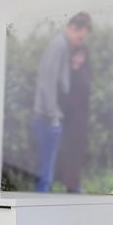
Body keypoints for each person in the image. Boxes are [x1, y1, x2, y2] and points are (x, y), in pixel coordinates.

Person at [31, 12, 91, 191]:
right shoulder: (58, 45)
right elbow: (47, 82)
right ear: (72, 28)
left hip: (50, 118)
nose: (80, 42)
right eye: (80, 37)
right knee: (45, 176)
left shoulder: (63, 45)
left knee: (47, 173)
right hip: (47, 119)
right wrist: (53, 116)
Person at [54, 43, 92, 193]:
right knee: (66, 155)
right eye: (76, 55)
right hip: (66, 122)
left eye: (82, 56)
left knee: (76, 154)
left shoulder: (83, 74)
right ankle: (71, 187)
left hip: (78, 122)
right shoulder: (64, 74)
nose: (78, 59)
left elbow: (81, 101)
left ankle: (74, 187)